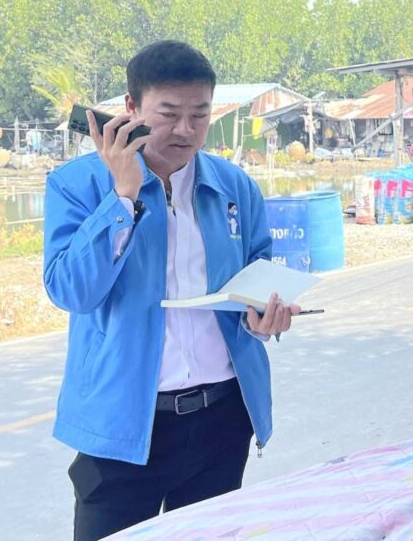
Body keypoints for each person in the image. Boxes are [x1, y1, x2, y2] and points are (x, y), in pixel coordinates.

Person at [43, 40, 300, 541]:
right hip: (123, 426)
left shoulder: (234, 186)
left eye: (200, 114)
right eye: (169, 114)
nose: (186, 130)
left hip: (222, 418)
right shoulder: (78, 185)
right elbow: (72, 291)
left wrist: (262, 316)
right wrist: (123, 196)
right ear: (132, 108)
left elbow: (257, 272)